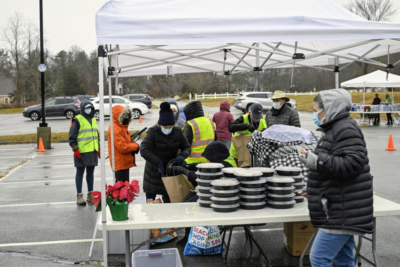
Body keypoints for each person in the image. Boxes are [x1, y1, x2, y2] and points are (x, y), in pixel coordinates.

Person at [298, 89, 373, 267]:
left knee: (318, 258)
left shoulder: (345, 128)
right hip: (341, 206)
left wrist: (315, 160)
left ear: (331, 109)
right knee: (344, 259)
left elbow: (352, 164)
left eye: (317, 111)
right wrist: (315, 189)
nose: (316, 115)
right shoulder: (336, 128)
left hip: (343, 210)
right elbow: (336, 170)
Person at [172, 141, 237, 245]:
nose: (207, 161)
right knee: (188, 199)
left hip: (221, 199)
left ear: (215, 156)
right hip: (216, 194)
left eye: (208, 158)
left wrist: (185, 171)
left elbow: (204, 177)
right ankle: (189, 235)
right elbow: (204, 167)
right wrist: (189, 166)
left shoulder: (225, 166)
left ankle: (190, 236)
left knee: (189, 204)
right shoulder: (224, 160)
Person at [140, 102, 191, 203]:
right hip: (153, 174)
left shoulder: (177, 131)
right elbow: (144, 149)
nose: (167, 129)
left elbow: (187, 148)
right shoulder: (152, 132)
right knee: (151, 204)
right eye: (165, 127)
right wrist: (157, 162)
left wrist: (181, 156)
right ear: (160, 125)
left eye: (170, 126)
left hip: (170, 173)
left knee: (169, 202)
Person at [69, 101, 100, 205]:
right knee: (80, 173)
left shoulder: (93, 119)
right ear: (82, 108)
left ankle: (90, 194)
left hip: (92, 151)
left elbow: (96, 135)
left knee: (90, 173)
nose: (89, 109)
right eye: (87, 108)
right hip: (81, 152)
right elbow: (72, 137)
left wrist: (98, 148)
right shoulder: (77, 120)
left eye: (90, 107)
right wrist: (75, 149)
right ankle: (79, 195)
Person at [108, 106, 140, 182]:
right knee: (121, 189)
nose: (127, 119)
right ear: (119, 116)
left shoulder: (121, 127)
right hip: (120, 163)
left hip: (123, 162)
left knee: (124, 188)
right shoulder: (115, 129)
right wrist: (136, 146)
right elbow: (123, 147)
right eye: (125, 116)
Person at [183, 101, 217, 169]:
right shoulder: (211, 122)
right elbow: (216, 140)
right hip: (209, 161)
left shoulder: (190, 124)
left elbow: (184, 145)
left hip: (192, 163)